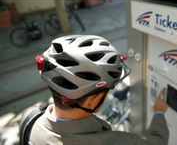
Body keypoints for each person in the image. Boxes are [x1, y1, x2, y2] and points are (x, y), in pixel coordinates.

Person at [29, 35, 169, 145]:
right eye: (107, 91)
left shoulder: (30, 121)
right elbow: (158, 141)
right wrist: (159, 112)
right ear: (93, 100)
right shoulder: (124, 142)